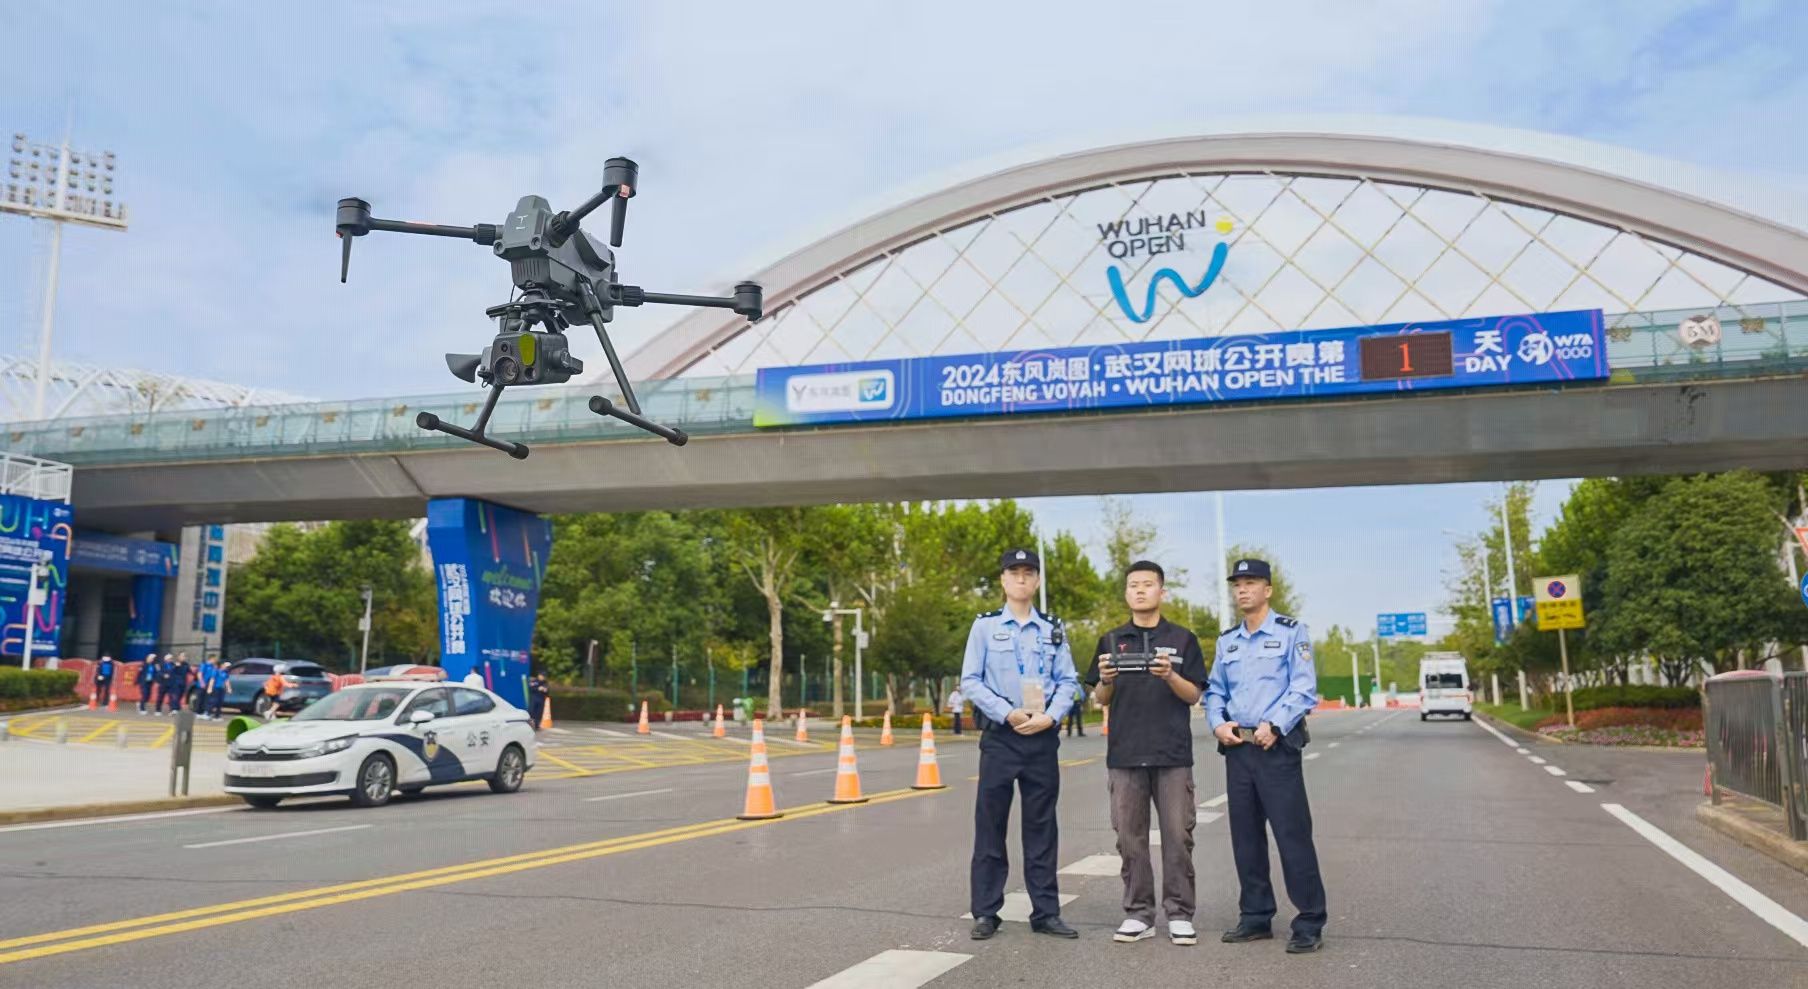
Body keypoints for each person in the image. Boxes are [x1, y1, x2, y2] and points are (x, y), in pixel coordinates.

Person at [1204, 558, 1327, 955]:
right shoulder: (1228, 641)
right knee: (1246, 838)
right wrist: (1217, 723)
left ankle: (1309, 921)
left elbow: (1303, 688)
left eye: (1251, 582)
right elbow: (1215, 690)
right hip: (1238, 749)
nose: (1243, 589)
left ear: (1268, 589)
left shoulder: (1291, 632)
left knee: (1292, 836)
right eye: (1237, 584)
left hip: (1277, 749)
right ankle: (1256, 916)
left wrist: (1275, 724)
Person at [1085, 560, 1209, 946]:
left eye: (1147, 584)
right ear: (1126, 593)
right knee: (1129, 837)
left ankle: (1180, 913)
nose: (1139, 590)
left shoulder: (1183, 639)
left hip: (1172, 754)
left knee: (1177, 835)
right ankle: (1139, 912)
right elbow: (1100, 696)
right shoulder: (1110, 640)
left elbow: (1194, 695)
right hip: (1125, 754)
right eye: (1133, 585)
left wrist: (1170, 675)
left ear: (1162, 591)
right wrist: (1106, 681)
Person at [961, 547, 1081, 941]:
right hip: (1001, 737)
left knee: (1041, 827)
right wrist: (1007, 712)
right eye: (1014, 572)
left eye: (1028, 572)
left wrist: (1052, 715)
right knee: (991, 825)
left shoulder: (1052, 628)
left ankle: (1046, 912)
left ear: (1037, 580)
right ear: (1003, 580)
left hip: (1042, 738)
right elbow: (970, 680)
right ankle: (986, 911)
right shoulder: (985, 627)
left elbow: (1069, 681)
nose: (1021, 578)